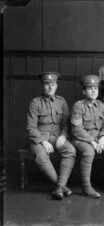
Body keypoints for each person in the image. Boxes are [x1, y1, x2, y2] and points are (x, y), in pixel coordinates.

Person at [70, 75, 104, 198]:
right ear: (84, 91)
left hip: (99, 139)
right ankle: (86, 187)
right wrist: (93, 141)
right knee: (89, 152)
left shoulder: (102, 106)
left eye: (96, 88)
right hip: (81, 140)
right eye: (90, 88)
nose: (94, 91)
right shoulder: (78, 106)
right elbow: (77, 130)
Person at [26, 72, 76, 200]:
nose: (50, 87)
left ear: (56, 86)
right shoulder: (35, 103)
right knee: (41, 155)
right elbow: (31, 127)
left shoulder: (62, 101)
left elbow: (66, 123)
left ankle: (59, 187)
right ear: (42, 86)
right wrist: (43, 141)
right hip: (39, 139)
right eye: (47, 84)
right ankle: (61, 187)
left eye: (53, 84)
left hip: (57, 137)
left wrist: (63, 136)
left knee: (70, 150)